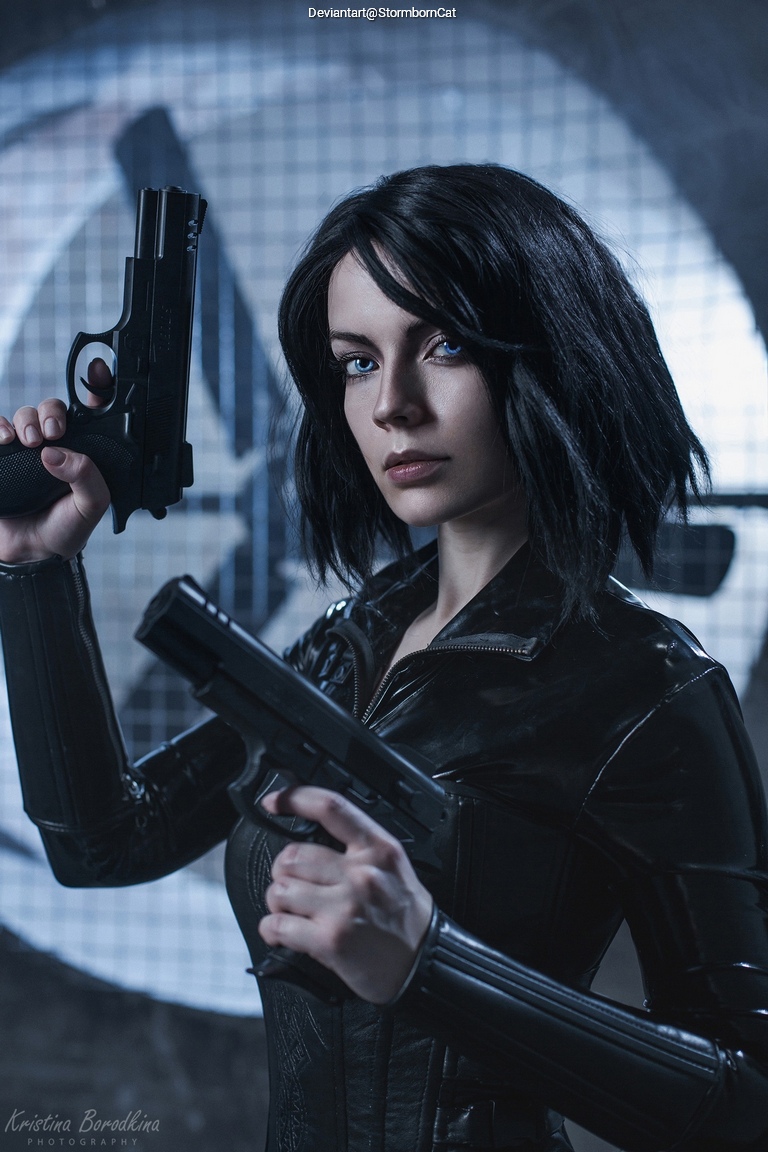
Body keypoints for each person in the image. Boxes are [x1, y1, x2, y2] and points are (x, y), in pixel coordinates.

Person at [0, 164, 766, 1152]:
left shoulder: (647, 684)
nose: (393, 405)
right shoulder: (346, 640)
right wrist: (34, 570)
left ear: (546, 354)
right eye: (357, 361)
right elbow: (105, 843)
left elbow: (747, 1108)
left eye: (442, 345)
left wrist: (429, 965)